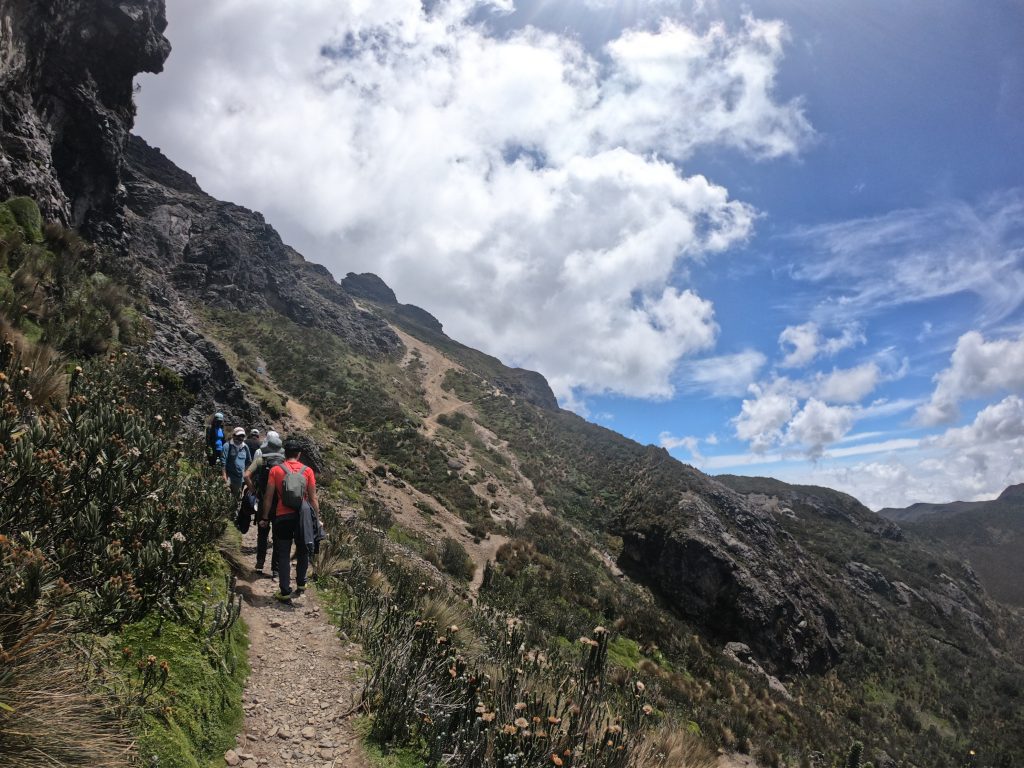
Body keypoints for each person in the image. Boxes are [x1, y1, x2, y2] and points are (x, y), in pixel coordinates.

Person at [260, 437, 319, 603]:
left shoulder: (276, 470)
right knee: (302, 550)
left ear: (284, 454)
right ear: (299, 454)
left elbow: (268, 497)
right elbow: (313, 498)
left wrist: (265, 517)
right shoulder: (307, 471)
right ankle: (301, 584)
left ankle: (285, 591)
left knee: (284, 553)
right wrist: (317, 519)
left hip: (282, 516)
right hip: (302, 516)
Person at [245, 430, 285, 577]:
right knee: (278, 536)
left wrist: (253, 490)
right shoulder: (284, 463)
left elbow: (246, 475)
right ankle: (275, 569)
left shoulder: (261, 460)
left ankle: (260, 563)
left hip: (263, 502)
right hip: (280, 505)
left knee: (262, 533)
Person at [222, 427, 253, 496]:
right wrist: (224, 476)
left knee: (236, 499)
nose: (240, 438)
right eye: (239, 436)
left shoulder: (245, 447)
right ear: (234, 435)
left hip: (239, 479)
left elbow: (249, 461)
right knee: (226, 497)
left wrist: (245, 473)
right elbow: (223, 462)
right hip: (229, 477)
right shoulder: (227, 446)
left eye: (242, 436)